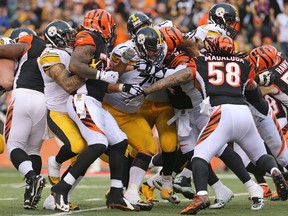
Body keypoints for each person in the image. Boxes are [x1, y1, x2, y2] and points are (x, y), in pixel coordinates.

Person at [132, 35, 288, 214]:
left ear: (213, 47)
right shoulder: (243, 64)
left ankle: (201, 194)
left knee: (199, 155)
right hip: (244, 111)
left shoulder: (201, 61)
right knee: (259, 155)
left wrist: (147, 90)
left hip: (221, 112)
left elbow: (178, 78)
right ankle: (274, 171)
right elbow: (253, 89)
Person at [50, 9, 142, 212]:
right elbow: (75, 66)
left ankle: (116, 194)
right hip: (82, 99)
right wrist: (101, 75)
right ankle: (61, 189)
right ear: (103, 24)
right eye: (111, 25)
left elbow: (109, 77)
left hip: (95, 102)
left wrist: (123, 62)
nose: (113, 30)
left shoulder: (100, 45)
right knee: (99, 143)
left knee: (119, 142)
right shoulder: (88, 36)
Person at [37, 20, 87, 211]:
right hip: (59, 112)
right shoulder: (49, 55)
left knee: (85, 157)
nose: (71, 38)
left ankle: (58, 195)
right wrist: (91, 70)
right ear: (55, 37)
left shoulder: (67, 52)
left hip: (77, 110)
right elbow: (67, 84)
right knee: (77, 146)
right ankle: (55, 161)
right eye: (67, 35)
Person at [0, 27, 47, 209]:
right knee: (33, 149)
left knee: (14, 146)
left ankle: (32, 177)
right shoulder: (48, 48)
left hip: (24, 96)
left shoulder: (28, 42)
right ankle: (30, 194)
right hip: (45, 101)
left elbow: (7, 79)